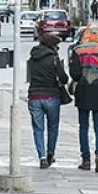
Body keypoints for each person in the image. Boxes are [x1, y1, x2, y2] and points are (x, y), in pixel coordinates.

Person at [69, 24, 98, 172]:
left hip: (83, 89)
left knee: (83, 126)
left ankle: (86, 159)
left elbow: (74, 73)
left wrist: (83, 75)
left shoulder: (78, 50)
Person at [27, 35, 69, 169]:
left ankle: (42, 157)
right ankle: (50, 152)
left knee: (38, 129)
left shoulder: (32, 59)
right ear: (52, 46)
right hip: (52, 96)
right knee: (52, 127)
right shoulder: (54, 59)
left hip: (34, 96)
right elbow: (64, 79)